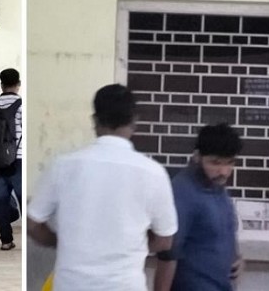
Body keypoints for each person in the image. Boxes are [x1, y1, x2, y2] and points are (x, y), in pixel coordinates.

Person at [27, 83, 178, 291]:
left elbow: (33, 224)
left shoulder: (63, 166)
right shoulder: (154, 173)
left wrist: (62, 241)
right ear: (134, 121)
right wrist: (131, 246)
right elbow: (165, 241)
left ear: (95, 121)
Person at [154, 123, 244, 291]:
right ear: (197, 156)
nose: (224, 171)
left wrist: (238, 259)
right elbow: (168, 254)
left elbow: (224, 231)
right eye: (215, 163)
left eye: (229, 163)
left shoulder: (218, 188)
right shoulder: (182, 192)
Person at [0, 68, 22, 250]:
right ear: (18, 84)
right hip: (18, 160)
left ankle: (6, 241)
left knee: (1, 201)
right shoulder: (22, 105)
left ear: (1, 84)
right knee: (23, 200)